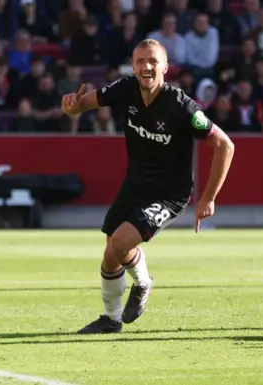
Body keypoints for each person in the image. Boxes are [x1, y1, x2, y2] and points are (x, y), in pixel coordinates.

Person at [61, 39, 235, 334]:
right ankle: (112, 318)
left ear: (165, 67)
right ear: (133, 66)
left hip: (169, 194)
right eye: (141, 61)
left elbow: (225, 145)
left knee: (118, 243)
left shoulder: (182, 108)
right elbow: (83, 105)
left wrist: (209, 197)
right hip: (136, 184)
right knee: (111, 250)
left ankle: (140, 285)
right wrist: (71, 107)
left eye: (153, 61)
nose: (146, 67)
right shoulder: (124, 89)